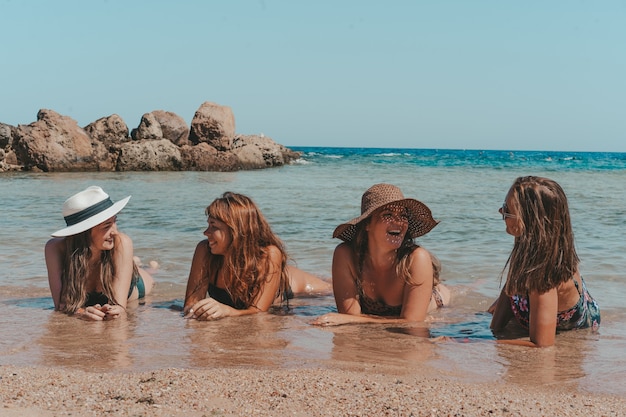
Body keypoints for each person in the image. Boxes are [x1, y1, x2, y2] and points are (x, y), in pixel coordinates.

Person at [312, 183, 449, 326]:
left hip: (437, 302)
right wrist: (350, 319)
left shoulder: (416, 258)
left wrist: (351, 319)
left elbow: (412, 323)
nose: (398, 221)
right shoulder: (346, 255)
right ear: (367, 224)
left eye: (403, 215)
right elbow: (349, 316)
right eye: (388, 215)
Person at [488, 176, 600, 347]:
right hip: (536, 302)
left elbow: (542, 345)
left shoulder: (544, 275)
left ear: (528, 221)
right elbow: (509, 290)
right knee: (484, 314)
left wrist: (476, 342)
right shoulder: (530, 245)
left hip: (570, 325)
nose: (500, 211)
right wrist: (492, 329)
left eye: (506, 209)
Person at [183, 192, 331, 320]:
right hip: (277, 275)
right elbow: (191, 304)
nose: (206, 233)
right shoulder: (205, 250)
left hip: (299, 287)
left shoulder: (269, 255)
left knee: (329, 289)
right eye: (208, 225)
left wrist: (227, 311)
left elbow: (259, 312)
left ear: (235, 230)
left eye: (214, 226)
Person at [45, 186, 154, 321]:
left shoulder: (121, 242)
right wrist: (80, 312)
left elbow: (120, 306)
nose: (115, 231)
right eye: (107, 226)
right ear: (83, 232)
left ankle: (144, 267)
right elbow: (60, 305)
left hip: (137, 285)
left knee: (149, 271)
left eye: (115, 222)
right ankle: (137, 263)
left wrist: (113, 311)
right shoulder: (55, 248)